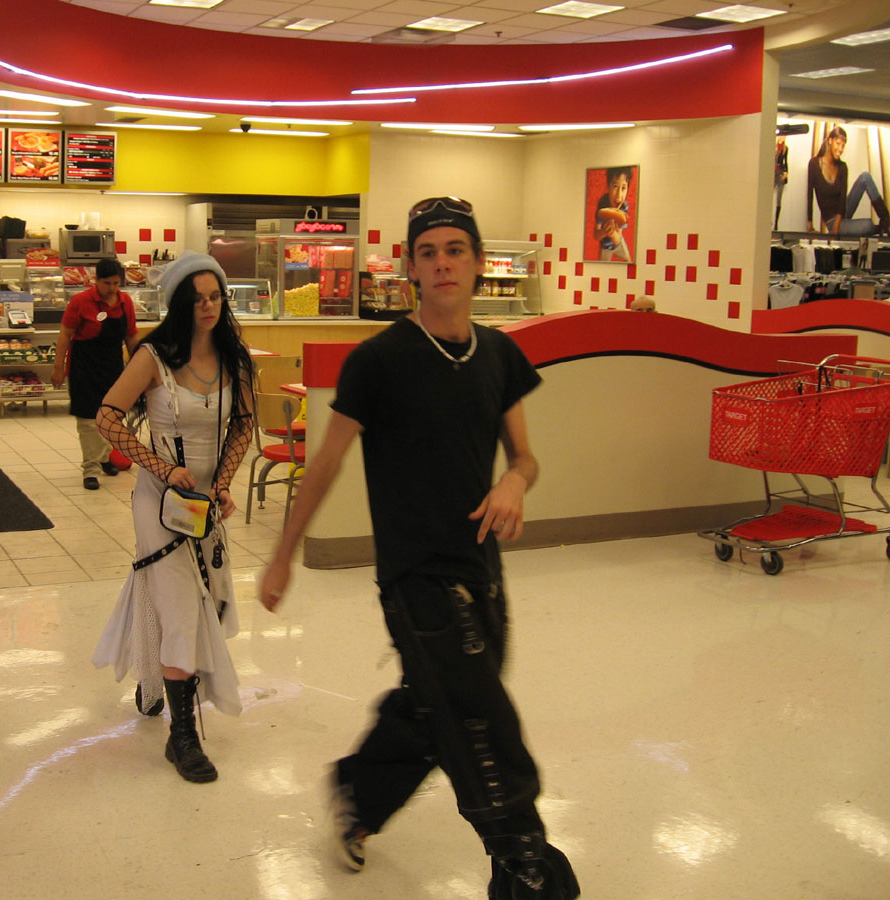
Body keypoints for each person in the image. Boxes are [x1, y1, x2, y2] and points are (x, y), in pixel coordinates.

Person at [259, 197, 579, 899]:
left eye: (455, 250)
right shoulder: (379, 361)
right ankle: (524, 864)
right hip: (414, 575)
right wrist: (283, 555)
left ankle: (360, 791)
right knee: (478, 712)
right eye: (427, 252)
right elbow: (326, 462)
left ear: (478, 262)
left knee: (439, 700)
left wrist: (515, 482)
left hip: (480, 563)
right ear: (409, 267)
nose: (442, 264)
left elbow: (526, 458)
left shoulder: (500, 354)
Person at [93, 251, 255, 784]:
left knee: (190, 593)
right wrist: (162, 466)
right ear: (179, 304)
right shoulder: (154, 357)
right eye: (197, 299)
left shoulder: (234, 358)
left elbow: (243, 424)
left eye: (215, 297)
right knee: (182, 604)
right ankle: (182, 736)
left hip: (206, 503)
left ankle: (151, 671)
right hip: (159, 502)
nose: (208, 307)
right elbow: (107, 418)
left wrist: (224, 482)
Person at [51, 258, 140, 490]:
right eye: (107, 283)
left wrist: (139, 365)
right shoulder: (81, 301)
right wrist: (58, 367)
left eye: (116, 283)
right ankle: (90, 469)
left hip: (112, 366)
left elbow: (131, 336)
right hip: (84, 368)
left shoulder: (125, 302)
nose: (112, 288)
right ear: (96, 280)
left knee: (111, 417)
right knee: (89, 421)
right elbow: (65, 335)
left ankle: (105, 457)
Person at [806, 126, 889, 237]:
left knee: (865, 177)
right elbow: (810, 194)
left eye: (843, 146)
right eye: (838, 144)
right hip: (831, 221)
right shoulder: (814, 164)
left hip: (843, 211)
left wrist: (837, 228)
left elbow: (842, 199)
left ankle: (886, 222)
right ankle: (881, 228)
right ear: (830, 141)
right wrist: (810, 226)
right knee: (868, 225)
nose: (840, 149)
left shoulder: (842, 167)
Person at [594, 166, 632, 262]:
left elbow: (618, 238)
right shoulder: (603, 204)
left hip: (618, 242)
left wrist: (612, 233)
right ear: (608, 186)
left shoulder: (624, 207)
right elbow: (596, 235)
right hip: (605, 246)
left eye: (623, 188)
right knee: (602, 268)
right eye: (615, 186)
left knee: (629, 261)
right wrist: (604, 231)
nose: (619, 195)